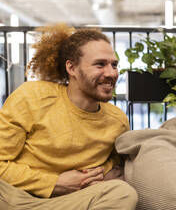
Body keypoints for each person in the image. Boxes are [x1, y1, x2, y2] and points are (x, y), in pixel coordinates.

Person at [0, 24, 138, 209]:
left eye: (114, 65)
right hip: (16, 198)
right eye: (100, 64)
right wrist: (54, 183)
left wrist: (101, 173)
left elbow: (115, 162)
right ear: (71, 68)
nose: (111, 73)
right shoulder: (32, 97)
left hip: (70, 202)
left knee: (122, 193)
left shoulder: (117, 120)